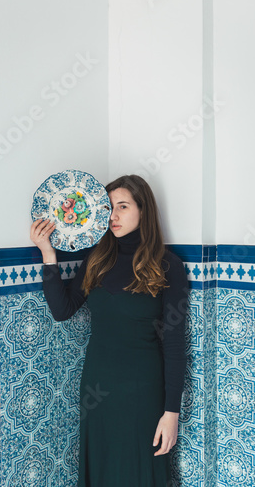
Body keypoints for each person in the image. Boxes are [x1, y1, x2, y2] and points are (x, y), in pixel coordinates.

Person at [30, 174, 188, 487]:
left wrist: (171, 414)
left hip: (143, 391)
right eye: (107, 207)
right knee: (101, 469)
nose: (112, 216)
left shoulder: (167, 265)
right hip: (97, 387)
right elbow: (63, 311)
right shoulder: (97, 257)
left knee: (139, 470)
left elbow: (174, 345)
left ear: (144, 211)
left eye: (123, 206)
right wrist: (48, 254)